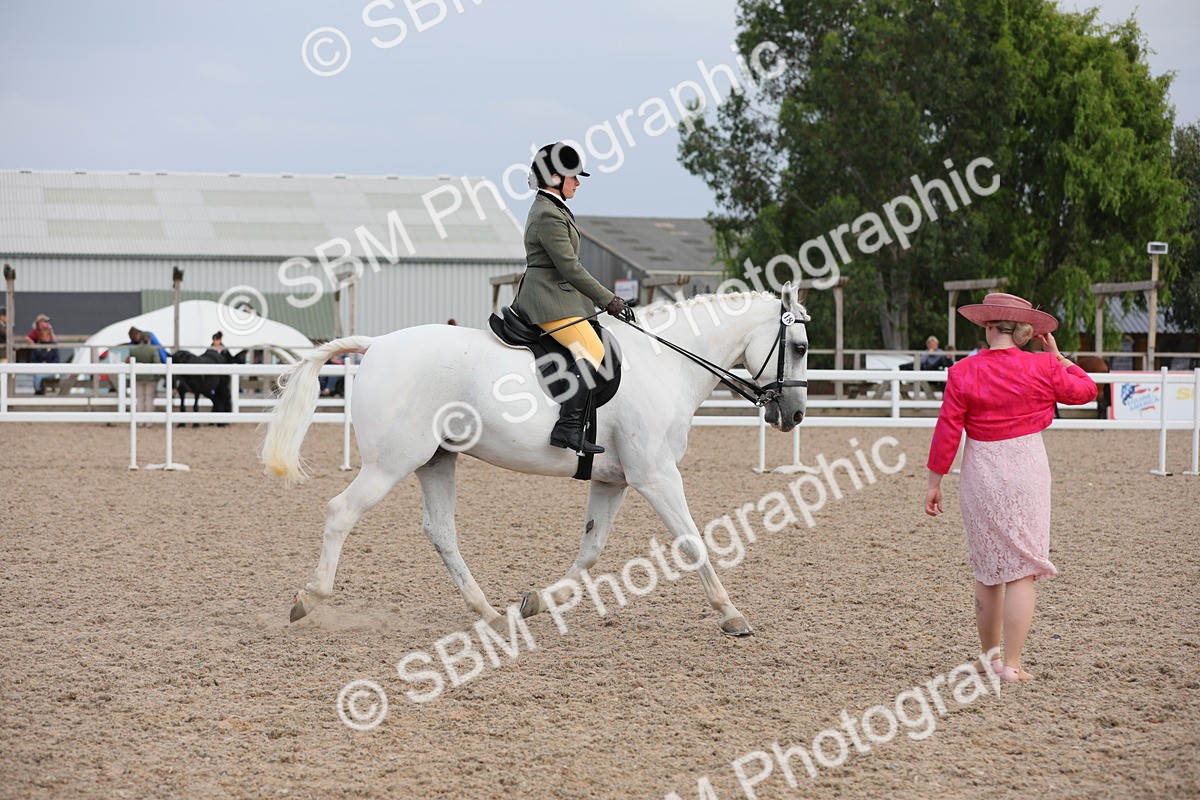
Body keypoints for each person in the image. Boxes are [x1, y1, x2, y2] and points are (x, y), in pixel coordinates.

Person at [924, 293, 1097, 683]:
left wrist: (934, 482)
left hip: (981, 468)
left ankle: (990, 658)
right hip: (1027, 466)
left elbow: (947, 432)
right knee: (1023, 570)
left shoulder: (962, 372)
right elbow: (1086, 391)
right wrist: (1058, 357)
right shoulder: (1042, 367)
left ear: (987, 325)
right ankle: (1013, 665)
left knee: (987, 570)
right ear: (1022, 330)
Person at [510, 141, 627, 454]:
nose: (578, 182)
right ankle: (568, 428)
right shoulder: (548, 214)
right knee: (591, 349)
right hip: (547, 298)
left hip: (560, 296)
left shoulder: (554, 207)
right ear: (553, 178)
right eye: (573, 176)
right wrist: (608, 300)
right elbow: (570, 268)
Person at [128, 330, 162, 426]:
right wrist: (157, 377)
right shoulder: (153, 350)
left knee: (140, 399)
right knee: (149, 399)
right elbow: (157, 363)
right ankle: (148, 421)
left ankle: (139, 421)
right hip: (150, 378)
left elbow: (129, 361)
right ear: (149, 339)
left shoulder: (134, 350)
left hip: (138, 377)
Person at [26, 314, 60, 395]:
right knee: (38, 375)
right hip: (39, 367)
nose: (46, 323)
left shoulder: (52, 343)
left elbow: (56, 357)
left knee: (41, 375)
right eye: (45, 321)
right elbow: (27, 338)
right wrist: (34, 345)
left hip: (50, 368)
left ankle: (42, 390)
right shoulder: (35, 332)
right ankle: (38, 391)